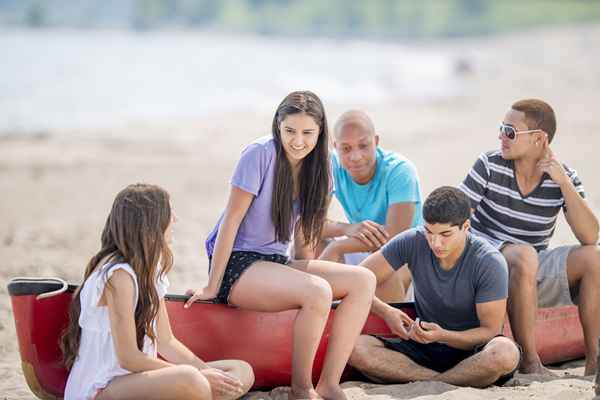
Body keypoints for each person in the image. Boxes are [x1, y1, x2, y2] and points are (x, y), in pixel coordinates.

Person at [185, 91, 376, 400]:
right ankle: (301, 390)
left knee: (363, 280)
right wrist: (212, 285)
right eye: (290, 131)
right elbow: (231, 221)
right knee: (317, 291)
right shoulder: (259, 154)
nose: (297, 140)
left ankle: (329, 383)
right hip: (239, 265)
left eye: (307, 133)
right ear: (278, 126)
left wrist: (305, 273)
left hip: (277, 262)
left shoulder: (324, 165)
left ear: (321, 131)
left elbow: (304, 233)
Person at [62, 184, 254, 400]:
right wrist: (198, 376)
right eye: (170, 214)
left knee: (240, 371)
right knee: (192, 380)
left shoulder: (150, 273)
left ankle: (202, 391)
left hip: (139, 380)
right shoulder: (118, 276)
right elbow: (128, 358)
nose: (175, 220)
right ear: (151, 222)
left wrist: (208, 374)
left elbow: (166, 341)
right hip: (103, 387)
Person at [459, 99, 600, 375]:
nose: (501, 136)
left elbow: (590, 235)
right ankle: (529, 360)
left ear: (539, 139)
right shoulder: (489, 164)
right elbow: (454, 219)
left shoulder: (563, 176)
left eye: (510, 132)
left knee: (594, 258)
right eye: (501, 129)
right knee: (524, 255)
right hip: (486, 269)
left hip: (530, 271)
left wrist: (564, 183)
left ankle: (594, 360)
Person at [348, 186, 520, 387]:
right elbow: (356, 280)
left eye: (445, 234)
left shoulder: (489, 261)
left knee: (504, 354)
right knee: (355, 348)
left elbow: (489, 331)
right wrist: (386, 311)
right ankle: (444, 380)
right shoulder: (413, 240)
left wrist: (444, 335)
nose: (436, 243)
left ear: (465, 227)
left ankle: (437, 381)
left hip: (473, 351)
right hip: (425, 347)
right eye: (429, 232)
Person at [299, 110, 422, 302]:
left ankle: (388, 326)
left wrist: (338, 247)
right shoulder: (330, 166)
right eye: (346, 149)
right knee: (309, 244)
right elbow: (309, 224)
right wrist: (347, 228)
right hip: (363, 245)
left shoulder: (399, 171)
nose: (355, 156)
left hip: (407, 255)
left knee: (383, 271)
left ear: (376, 141)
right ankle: (321, 306)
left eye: (363, 145)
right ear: (335, 147)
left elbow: (395, 239)